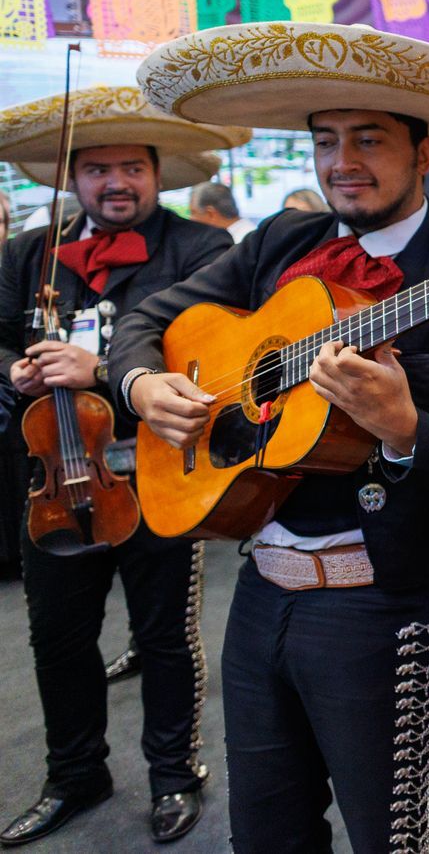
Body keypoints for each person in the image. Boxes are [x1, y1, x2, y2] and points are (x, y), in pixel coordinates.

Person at [111, 22, 429, 853]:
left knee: (390, 838)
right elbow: (149, 319)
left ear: (424, 154)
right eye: (326, 141)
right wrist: (140, 384)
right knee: (264, 834)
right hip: (259, 590)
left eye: (369, 139)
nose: (343, 160)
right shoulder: (283, 241)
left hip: (382, 601)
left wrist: (403, 428)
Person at [0, 85, 247, 846]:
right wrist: (13, 374)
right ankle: (75, 774)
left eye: (131, 167)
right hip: (54, 481)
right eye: (97, 168)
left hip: (157, 475)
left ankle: (175, 774)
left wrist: (101, 367)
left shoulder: (202, 249)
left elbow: (213, 359)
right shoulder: (25, 254)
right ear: (73, 178)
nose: (115, 182)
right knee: (58, 639)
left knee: (166, 636)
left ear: (157, 172)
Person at [187, 181, 255, 242]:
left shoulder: (236, 244)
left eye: (193, 212)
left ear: (211, 213)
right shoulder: (249, 234)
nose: (190, 218)